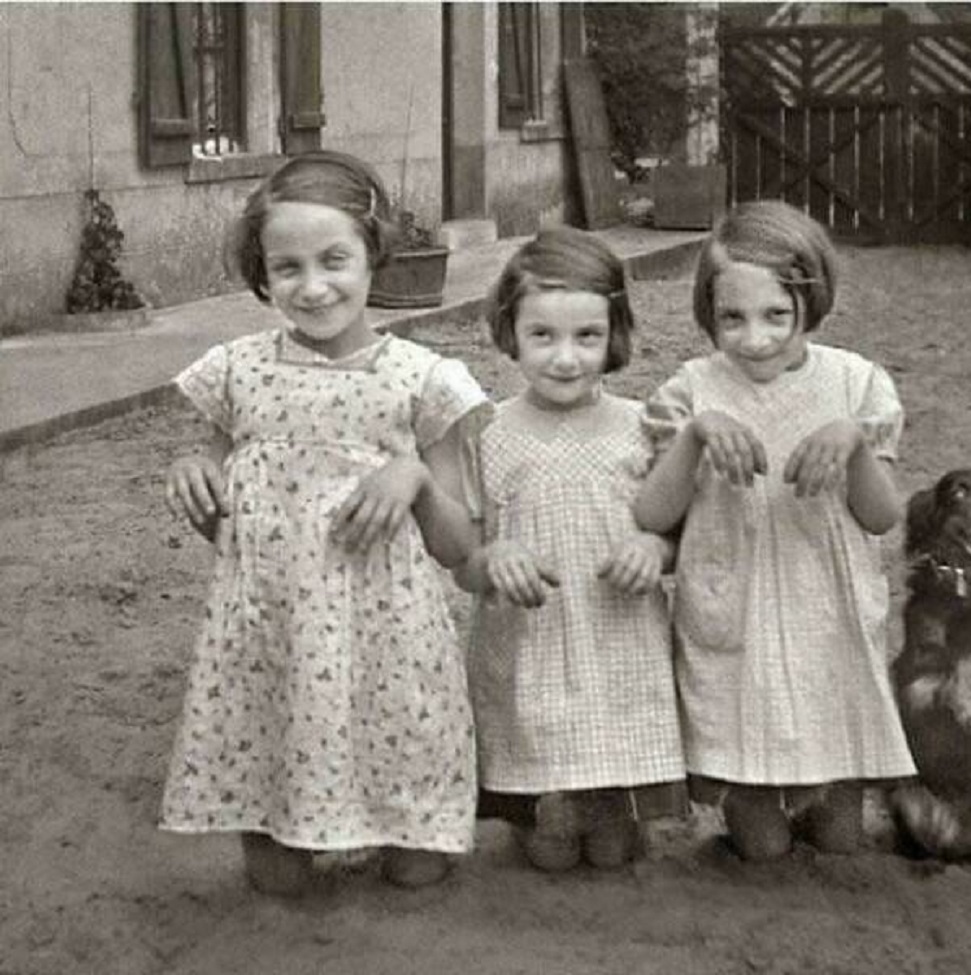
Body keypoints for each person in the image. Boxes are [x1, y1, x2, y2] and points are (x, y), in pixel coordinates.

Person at [161, 150, 489, 895]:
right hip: (273, 635)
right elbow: (221, 511)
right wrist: (193, 474)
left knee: (416, 869)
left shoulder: (423, 381)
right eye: (287, 268)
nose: (313, 287)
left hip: (388, 643)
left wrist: (412, 478)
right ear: (262, 272)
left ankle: (399, 813)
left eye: (334, 259)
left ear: (373, 251)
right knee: (275, 877)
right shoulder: (237, 371)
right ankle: (284, 815)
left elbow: (459, 547)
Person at [633, 201, 915, 861]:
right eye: (732, 317)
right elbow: (652, 515)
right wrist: (697, 438)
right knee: (760, 844)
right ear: (708, 311)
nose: (754, 337)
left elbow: (881, 516)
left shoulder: (856, 385)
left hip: (828, 607)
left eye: (776, 317)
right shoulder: (689, 391)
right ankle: (750, 820)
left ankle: (832, 809)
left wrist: (853, 442)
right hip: (736, 607)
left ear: (810, 305)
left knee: (841, 838)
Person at [453, 227, 687, 872]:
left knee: (612, 850)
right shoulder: (486, 434)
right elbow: (463, 560)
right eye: (543, 336)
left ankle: (613, 814)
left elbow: (676, 536)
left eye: (587, 336)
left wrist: (652, 548)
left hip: (618, 643)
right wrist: (493, 560)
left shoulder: (645, 427)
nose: (565, 358)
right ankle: (537, 811)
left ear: (615, 333)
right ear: (510, 332)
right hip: (530, 646)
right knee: (550, 852)